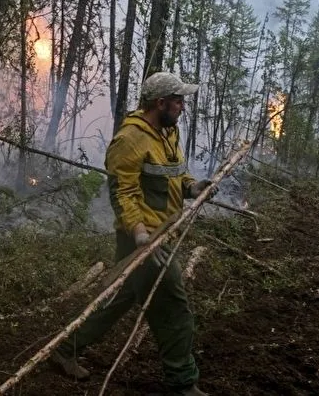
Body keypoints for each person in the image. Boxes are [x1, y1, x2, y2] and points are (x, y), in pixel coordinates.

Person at [49, 72, 217, 396]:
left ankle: (65, 349)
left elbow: (174, 177)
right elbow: (123, 194)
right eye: (178, 100)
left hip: (160, 233)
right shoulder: (129, 139)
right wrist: (141, 235)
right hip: (142, 238)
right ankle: (183, 382)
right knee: (174, 307)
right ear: (161, 102)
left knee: (118, 298)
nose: (183, 107)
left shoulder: (168, 133)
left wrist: (194, 188)